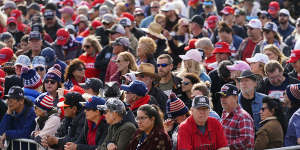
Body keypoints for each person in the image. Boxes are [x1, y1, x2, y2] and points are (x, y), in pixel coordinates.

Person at [218, 84, 255, 149]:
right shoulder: (225, 112)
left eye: (226, 96)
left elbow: (246, 141)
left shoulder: (243, 117)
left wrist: (223, 145)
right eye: (221, 96)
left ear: (236, 97)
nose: (222, 99)